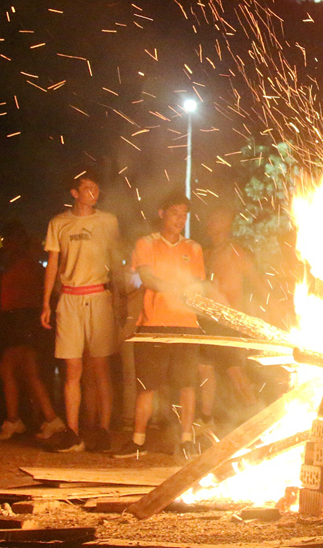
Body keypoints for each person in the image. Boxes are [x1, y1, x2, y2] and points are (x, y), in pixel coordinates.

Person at [113, 194, 205, 461]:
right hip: (153, 323)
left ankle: (187, 439)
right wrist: (176, 287)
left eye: (184, 214)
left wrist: (187, 289)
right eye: (175, 213)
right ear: (161, 213)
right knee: (148, 385)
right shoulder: (146, 244)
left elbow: (197, 284)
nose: (180, 219)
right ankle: (138, 440)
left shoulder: (194, 248)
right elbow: (147, 278)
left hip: (187, 323)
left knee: (187, 385)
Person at [42, 172, 120, 453]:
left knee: (100, 367)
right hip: (70, 298)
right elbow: (53, 263)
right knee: (72, 368)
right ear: (74, 193)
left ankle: (103, 429)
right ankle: (72, 433)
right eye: (87, 188)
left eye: (96, 188)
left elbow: (115, 259)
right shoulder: (59, 223)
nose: (94, 193)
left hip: (98, 296)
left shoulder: (108, 221)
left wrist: (119, 298)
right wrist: (46, 303)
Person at [0, 221, 64, 441]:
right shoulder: (17, 265)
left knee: (17, 370)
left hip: (24, 319)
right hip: (15, 319)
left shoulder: (28, 265)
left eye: (8, 240)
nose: (5, 245)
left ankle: (26, 420)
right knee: (24, 371)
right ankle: (41, 419)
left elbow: (35, 293)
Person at [197, 207, 260, 435]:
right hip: (208, 321)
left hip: (231, 321)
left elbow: (258, 282)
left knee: (234, 369)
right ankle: (206, 420)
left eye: (217, 218)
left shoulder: (237, 252)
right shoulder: (205, 254)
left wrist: (272, 309)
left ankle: (256, 415)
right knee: (204, 369)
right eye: (210, 219)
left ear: (228, 223)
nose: (211, 223)